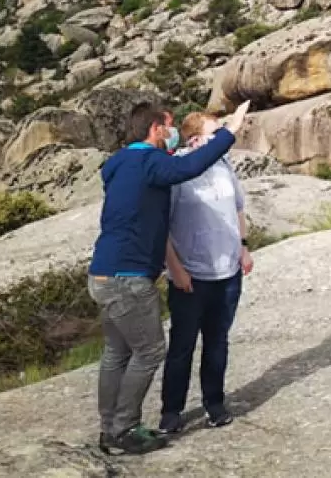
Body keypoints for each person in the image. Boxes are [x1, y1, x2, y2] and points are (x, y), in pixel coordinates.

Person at [87, 100, 250, 456]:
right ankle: (125, 428)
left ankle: (108, 428)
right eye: (169, 125)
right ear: (156, 129)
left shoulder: (120, 162)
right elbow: (190, 166)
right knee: (150, 351)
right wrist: (230, 130)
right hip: (128, 276)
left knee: (117, 353)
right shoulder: (150, 162)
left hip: (103, 272)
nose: (172, 130)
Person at [159, 111, 253, 434]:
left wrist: (243, 245)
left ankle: (214, 403)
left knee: (217, 342)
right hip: (191, 276)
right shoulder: (178, 170)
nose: (222, 139)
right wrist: (176, 268)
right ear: (196, 140)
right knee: (182, 346)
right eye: (216, 133)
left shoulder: (224, 166)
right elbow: (162, 227)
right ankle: (172, 410)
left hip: (227, 273)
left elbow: (238, 207)